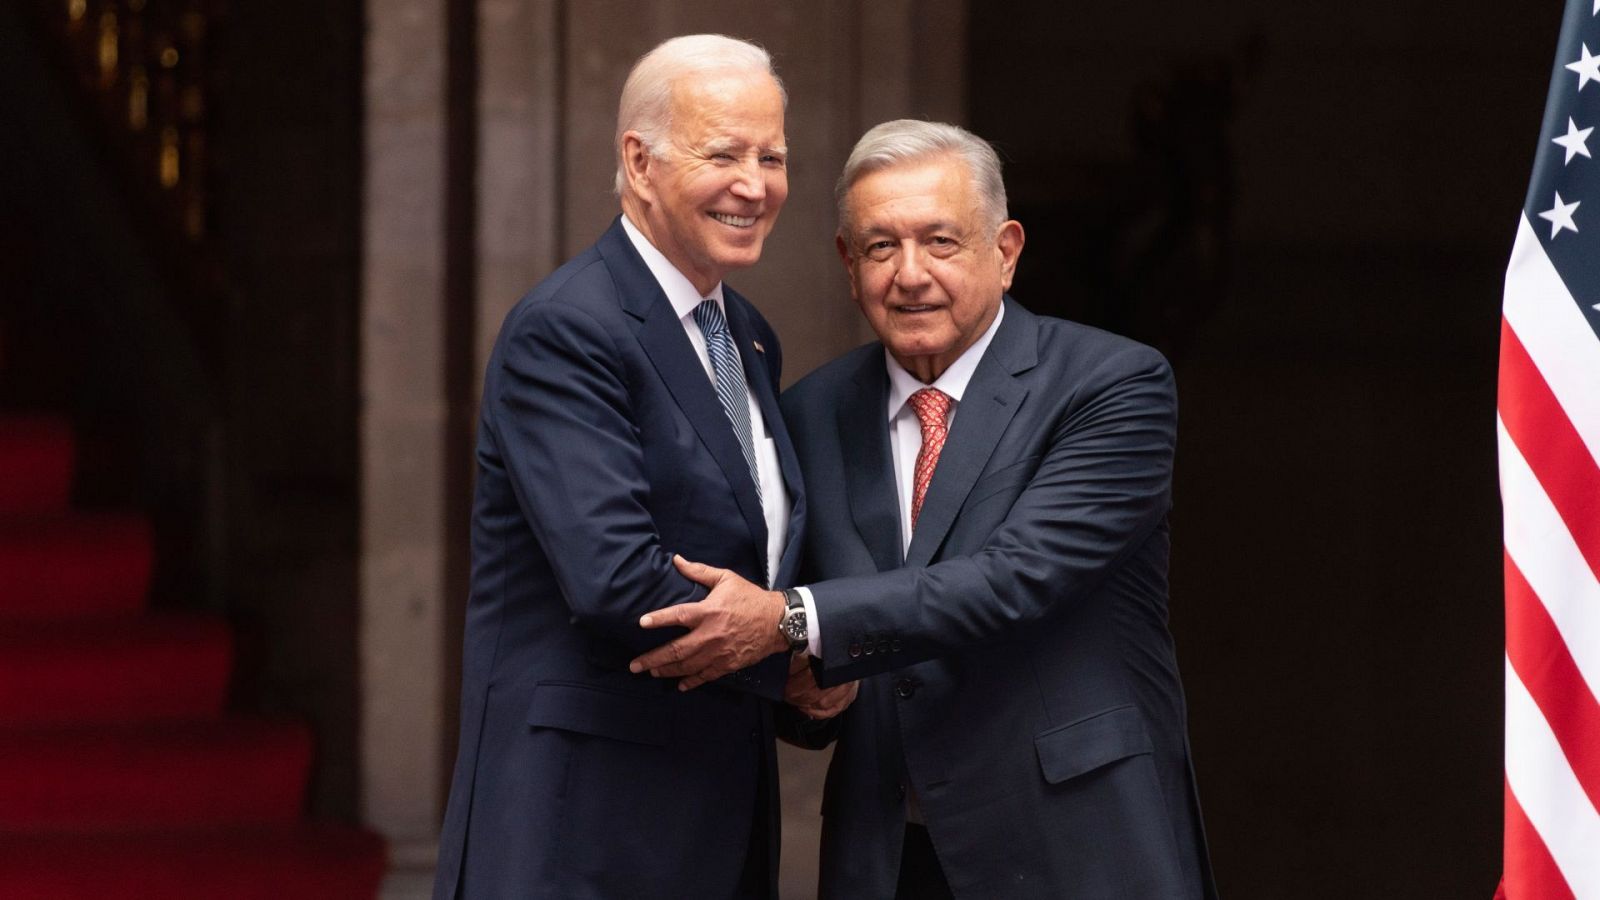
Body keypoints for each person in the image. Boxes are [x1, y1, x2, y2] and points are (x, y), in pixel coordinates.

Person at [632, 120, 1217, 899]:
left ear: (1005, 252)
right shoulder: (808, 413)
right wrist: (805, 692)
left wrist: (791, 619)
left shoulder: (1111, 386)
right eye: (880, 247)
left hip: (1073, 845)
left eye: (941, 242)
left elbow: (1015, 578)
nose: (909, 275)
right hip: (886, 855)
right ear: (848, 264)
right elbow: (805, 655)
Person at [433, 34, 827, 900]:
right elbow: (617, 581)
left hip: (711, 820)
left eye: (773, 156)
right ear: (639, 162)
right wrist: (795, 649)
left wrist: (804, 644)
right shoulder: (568, 328)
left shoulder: (749, 336)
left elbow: (753, 555)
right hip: (585, 828)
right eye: (722, 152)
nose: (754, 184)